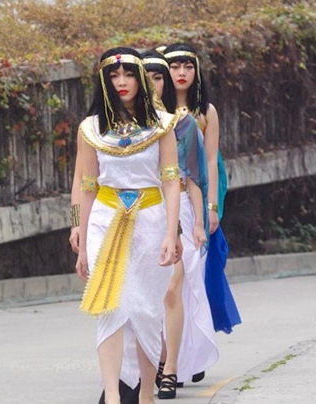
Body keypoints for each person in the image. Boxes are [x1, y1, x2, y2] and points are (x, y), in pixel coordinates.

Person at [75, 46, 180, 404]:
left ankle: (146, 395)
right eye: (114, 75)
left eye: (129, 74)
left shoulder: (163, 124)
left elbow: (170, 181)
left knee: (146, 311)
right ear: (104, 81)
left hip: (150, 220)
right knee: (111, 308)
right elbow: (86, 187)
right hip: (104, 221)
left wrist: (172, 232)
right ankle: (112, 396)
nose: (122, 81)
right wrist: (80, 237)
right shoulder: (91, 129)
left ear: (140, 78)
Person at [142, 49, 218, 400]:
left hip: (180, 211)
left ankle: (170, 367)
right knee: (146, 293)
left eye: (159, 77)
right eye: (147, 77)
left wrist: (201, 220)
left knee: (173, 287)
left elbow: (194, 176)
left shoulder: (184, 123)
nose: (153, 84)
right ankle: (148, 362)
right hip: (139, 212)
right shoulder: (123, 127)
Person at [163, 40, 241, 366]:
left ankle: (193, 352)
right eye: (174, 67)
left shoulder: (206, 111)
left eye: (188, 67)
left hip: (198, 194)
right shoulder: (156, 111)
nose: (181, 73)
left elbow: (210, 161)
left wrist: (210, 207)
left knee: (196, 275)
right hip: (161, 198)